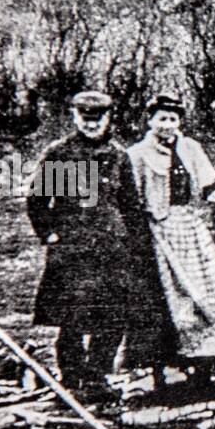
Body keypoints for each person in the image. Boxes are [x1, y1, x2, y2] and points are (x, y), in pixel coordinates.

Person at [23, 91, 139, 403]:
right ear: (75, 117)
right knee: (72, 318)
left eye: (98, 118)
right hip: (72, 250)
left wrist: (132, 244)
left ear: (108, 118)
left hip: (112, 250)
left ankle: (97, 377)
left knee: (113, 316)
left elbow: (130, 205)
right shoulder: (60, 154)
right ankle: (72, 379)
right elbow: (37, 200)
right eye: (85, 118)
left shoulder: (118, 155)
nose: (91, 124)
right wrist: (48, 234)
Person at [124, 93, 215, 400]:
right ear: (150, 121)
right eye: (162, 119)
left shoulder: (190, 147)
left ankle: (207, 364)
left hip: (189, 223)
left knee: (208, 289)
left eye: (173, 119)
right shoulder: (138, 154)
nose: (168, 125)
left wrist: (213, 193)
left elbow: (208, 178)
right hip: (160, 228)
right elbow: (131, 199)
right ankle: (170, 371)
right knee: (172, 295)